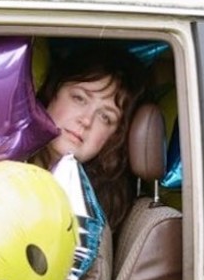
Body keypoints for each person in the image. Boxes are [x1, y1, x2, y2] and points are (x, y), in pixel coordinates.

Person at [35, 41, 146, 233]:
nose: (86, 120)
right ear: (52, 92)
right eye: (79, 98)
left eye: (105, 117)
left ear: (114, 138)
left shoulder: (96, 220)